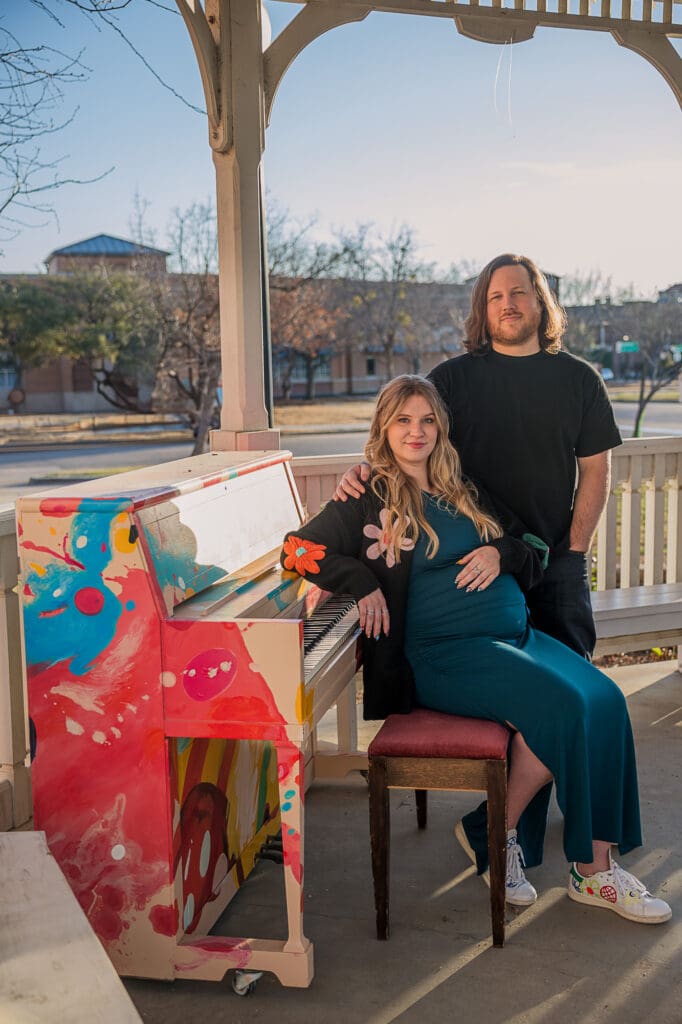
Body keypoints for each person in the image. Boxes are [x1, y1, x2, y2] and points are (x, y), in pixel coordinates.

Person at [281, 375, 671, 924]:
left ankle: (495, 832)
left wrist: (501, 556)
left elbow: (531, 544)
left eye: (426, 420)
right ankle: (594, 872)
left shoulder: (463, 487)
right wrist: (360, 581)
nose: (416, 432)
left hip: (515, 639)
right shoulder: (368, 496)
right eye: (402, 420)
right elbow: (295, 551)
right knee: (565, 708)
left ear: (440, 427)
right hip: (446, 654)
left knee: (604, 697)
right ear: (384, 429)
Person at [335, 252, 622, 661]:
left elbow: (596, 469)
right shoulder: (450, 380)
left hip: (554, 559)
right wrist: (367, 470)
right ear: (482, 310)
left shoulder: (579, 380)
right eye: (496, 296)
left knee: (570, 672)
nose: (508, 304)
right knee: (498, 684)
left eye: (519, 292)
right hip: (472, 561)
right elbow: (405, 435)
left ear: (540, 302)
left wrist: (574, 550)